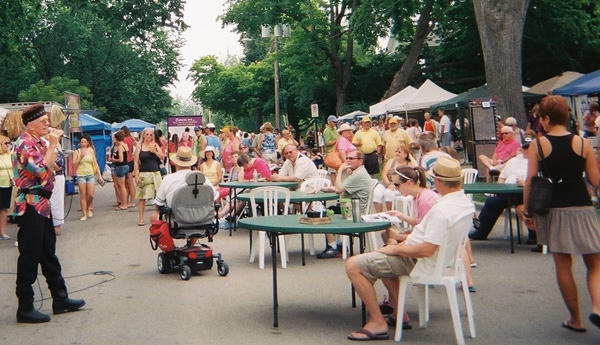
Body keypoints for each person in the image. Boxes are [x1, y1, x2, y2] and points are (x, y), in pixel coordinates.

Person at [344, 156, 474, 340]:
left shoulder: (440, 209)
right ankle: (398, 312)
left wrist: (394, 249)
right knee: (382, 256)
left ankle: (377, 322)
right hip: (439, 260)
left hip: (422, 262)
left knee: (353, 265)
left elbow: (426, 250)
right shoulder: (463, 203)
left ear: (437, 180)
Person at [523, 95, 600, 332]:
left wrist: (528, 212)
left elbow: (530, 181)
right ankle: (598, 307)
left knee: (563, 266)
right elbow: (595, 181)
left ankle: (575, 319)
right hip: (583, 207)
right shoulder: (582, 143)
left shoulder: (538, 145)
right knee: (595, 263)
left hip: (554, 209)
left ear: (546, 118)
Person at [12, 103, 85, 323]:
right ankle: (24, 306)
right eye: (43, 121)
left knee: (48, 254)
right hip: (31, 204)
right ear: (30, 125)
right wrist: (52, 144)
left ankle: (60, 298)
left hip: (42, 204)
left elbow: (56, 164)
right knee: (29, 256)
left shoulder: (39, 142)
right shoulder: (24, 144)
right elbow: (43, 170)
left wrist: (51, 147)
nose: (48, 124)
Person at [311, 150, 372, 259]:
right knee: (328, 210)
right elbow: (341, 187)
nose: (347, 160)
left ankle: (333, 247)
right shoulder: (355, 172)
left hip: (355, 211)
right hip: (349, 206)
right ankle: (339, 244)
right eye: (347, 158)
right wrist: (321, 188)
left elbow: (339, 189)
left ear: (360, 161)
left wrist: (339, 171)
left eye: (351, 158)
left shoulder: (359, 174)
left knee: (323, 214)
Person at [469, 135, 532, 241]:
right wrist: (499, 189)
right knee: (492, 201)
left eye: (529, 147)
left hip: (525, 191)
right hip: (508, 191)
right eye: (525, 147)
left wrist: (525, 184)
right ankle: (481, 231)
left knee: (519, 206)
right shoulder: (513, 161)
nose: (526, 150)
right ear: (521, 148)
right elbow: (502, 178)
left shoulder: (535, 161)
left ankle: (534, 235)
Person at [150, 146, 218, 223]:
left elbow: (158, 205)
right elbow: (215, 198)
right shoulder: (202, 178)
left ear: (176, 163)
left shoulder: (168, 179)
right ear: (191, 162)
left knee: (153, 217)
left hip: (176, 221)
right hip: (202, 219)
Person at [133, 127, 164, 226]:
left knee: (157, 196)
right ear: (143, 135)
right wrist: (136, 175)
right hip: (144, 173)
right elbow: (136, 162)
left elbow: (163, 157)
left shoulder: (155, 145)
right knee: (142, 197)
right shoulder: (139, 146)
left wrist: (155, 151)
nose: (149, 136)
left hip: (155, 173)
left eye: (151, 135)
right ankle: (141, 218)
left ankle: (158, 216)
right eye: (147, 134)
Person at [373, 145, 416, 213]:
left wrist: (410, 155)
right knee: (376, 193)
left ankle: (391, 214)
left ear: (405, 154)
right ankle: (380, 215)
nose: (397, 153)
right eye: (396, 151)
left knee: (388, 194)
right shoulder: (391, 161)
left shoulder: (409, 163)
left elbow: (416, 167)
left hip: (399, 184)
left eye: (399, 152)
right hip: (387, 182)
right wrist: (388, 184)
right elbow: (384, 174)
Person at [72, 134, 103, 221]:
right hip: (81, 174)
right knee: (83, 195)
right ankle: (84, 213)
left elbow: (95, 163)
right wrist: (80, 157)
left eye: (85, 142)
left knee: (91, 195)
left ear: (88, 143)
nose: (83, 143)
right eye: (81, 142)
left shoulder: (91, 151)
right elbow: (73, 164)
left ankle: (88, 207)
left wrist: (100, 175)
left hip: (90, 174)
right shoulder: (77, 152)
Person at [108, 130, 130, 211]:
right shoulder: (125, 145)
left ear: (117, 138)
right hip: (126, 166)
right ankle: (125, 202)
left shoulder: (120, 147)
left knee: (122, 186)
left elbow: (121, 159)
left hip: (120, 167)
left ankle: (123, 204)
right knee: (124, 186)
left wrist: (113, 160)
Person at [0, 136, 13, 240]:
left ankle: (3, 231)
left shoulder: (8, 155)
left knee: (4, 208)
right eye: (5, 143)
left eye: (9, 143)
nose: (8, 145)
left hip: (7, 184)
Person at [323, 115, 340, 179]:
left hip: (336, 152)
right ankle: (334, 185)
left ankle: (337, 184)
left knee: (337, 170)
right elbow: (327, 143)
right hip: (330, 153)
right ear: (329, 122)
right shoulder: (326, 131)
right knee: (332, 171)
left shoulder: (335, 129)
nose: (335, 123)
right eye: (334, 122)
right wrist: (337, 140)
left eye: (335, 122)